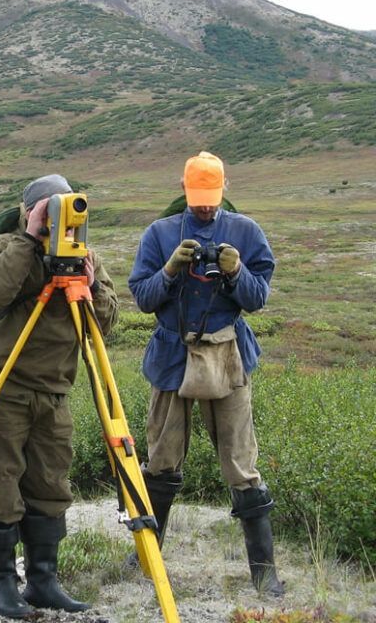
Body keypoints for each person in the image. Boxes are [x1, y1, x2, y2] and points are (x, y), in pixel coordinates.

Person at [128, 151, 284, 596]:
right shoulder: (159, 234)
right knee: (160, 457)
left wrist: (235, 271)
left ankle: (263, 571)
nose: (204, 207)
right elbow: (143, 296)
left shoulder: (247, 233)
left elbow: (256, 300)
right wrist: (171, 269)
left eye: (211, 198)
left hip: (227, 355)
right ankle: (146, 554)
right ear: (183, 188)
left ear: (224, 189)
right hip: (172, 356)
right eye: (197, 198)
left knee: (241, 462)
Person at [0, 174, 119, 619]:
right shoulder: (6, 244)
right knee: (0, 482)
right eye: (50, 210)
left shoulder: (83, 254)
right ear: (31, 210)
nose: (60, 220)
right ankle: (1, 585)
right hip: (3, 383)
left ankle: (43, 581)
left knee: (50, 485)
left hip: (55, 389)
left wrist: (89, 286)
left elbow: (105, 324)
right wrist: (30, 239)